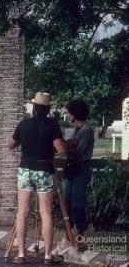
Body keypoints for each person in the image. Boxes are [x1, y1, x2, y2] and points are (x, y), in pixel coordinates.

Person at [8, 92, 66, 265]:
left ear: (34, 107)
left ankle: (21, 254)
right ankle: (48, 255)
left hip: (25, 169)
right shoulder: (52, 125)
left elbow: (10, 144)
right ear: (48, 109)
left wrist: (23, 140)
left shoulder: (24, 124)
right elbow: (61, 150)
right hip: (44, 170)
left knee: (22, 212)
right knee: (46, 212)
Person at [60, 99, 94, 248]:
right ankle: (68, 237)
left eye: (69, 112)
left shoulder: (86, 130)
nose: (67, 115)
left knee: (77, 204)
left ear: (75, 113)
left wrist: (64, 147)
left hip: (80, 169)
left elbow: (77, 152)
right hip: (72, 169)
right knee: (66, 202)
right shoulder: (77, 129)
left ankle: (78, 239)